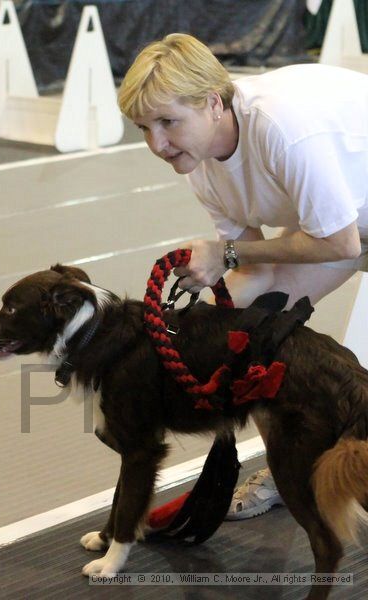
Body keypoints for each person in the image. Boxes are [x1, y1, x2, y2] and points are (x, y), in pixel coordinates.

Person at [117, 33, 368, 519]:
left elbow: (339, 245)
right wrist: (185, 336)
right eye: (143, 128)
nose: (157, 144)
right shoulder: (197, 162)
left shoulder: (281, 127)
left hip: (345, 227)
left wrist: (225, 253)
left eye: (168, 122)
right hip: (347, 219)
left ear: (214, 103)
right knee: (255, 340)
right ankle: (292, 464)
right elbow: (258, 271)